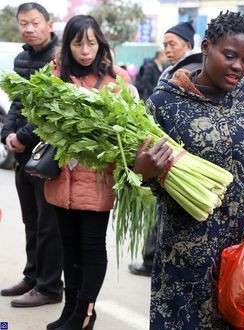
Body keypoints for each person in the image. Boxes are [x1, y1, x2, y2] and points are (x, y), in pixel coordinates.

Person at [132, 11, 244, 329]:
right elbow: (131, 181)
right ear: (206, 47)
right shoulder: (163, 105)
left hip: (242, 255)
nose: (238, 67)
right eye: (229, 55)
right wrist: (140, 170)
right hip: (183, 258)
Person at [43, 15, 131, 330]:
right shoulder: (54, 76)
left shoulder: (115, 80)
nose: (85, 50)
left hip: (96, 179)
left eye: (91, 43)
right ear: (67, 45)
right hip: (61, 179)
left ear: (100, 43)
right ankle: (69, 311)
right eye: (78, 43)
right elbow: (43, 123)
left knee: (92, 246)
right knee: (69, 246)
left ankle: (85, 314)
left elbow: (124, 130)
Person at [0, 2, 63, 308]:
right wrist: (7, 135)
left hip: (48, 152)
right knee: (30, 220)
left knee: (48, 221)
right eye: (23, 23)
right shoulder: (21, 58)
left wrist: (22, 137)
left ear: (49, 24)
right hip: (23, 152)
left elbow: (53, 110)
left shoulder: (60, 58)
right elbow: (15, 104)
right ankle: (33, 276)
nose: (29, 28)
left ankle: (50, 286)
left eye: (35, 22)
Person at [128, 20, 203, 277]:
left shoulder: (191, 70)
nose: (167, 49)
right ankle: (154, 260)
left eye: (173, 44)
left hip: (176, 155)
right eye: (165, 44)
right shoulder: (174, 69)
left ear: (189, 45)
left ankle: (154, 261)